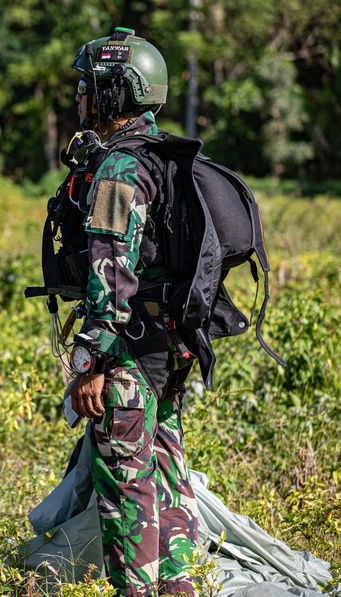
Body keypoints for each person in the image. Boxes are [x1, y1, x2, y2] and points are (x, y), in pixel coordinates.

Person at [64, 28, 200, 596]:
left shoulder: (120, 169)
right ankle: (180, 587)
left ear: (113, 94)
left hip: (126, 352)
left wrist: (91, 359)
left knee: (127, 491)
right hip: (167, 347)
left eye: (87, 86)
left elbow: (108, 270)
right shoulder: (164, 156)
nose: (79, 97)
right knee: (166, 476)